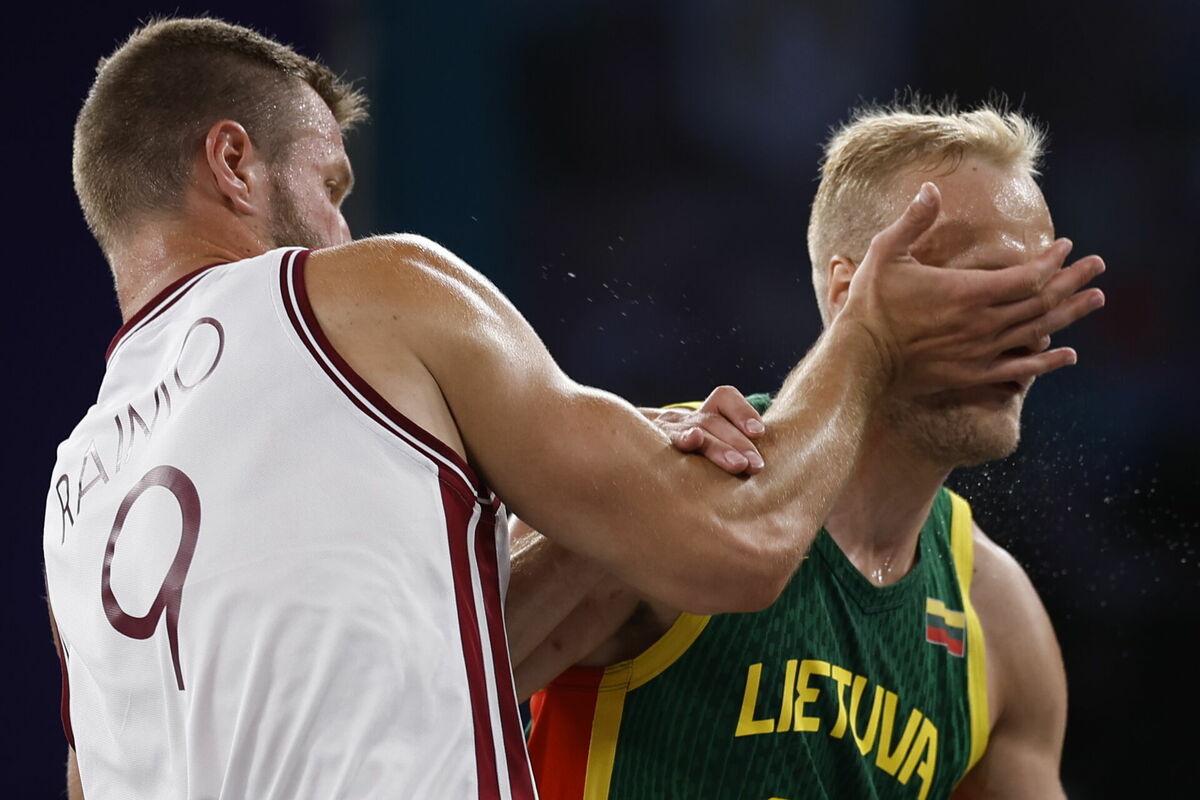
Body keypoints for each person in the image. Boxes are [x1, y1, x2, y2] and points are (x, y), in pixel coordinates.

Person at [43, 17, 1103, 799]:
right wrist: (866, 340)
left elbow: (103, 769)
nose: (342, 225)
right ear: (233, 162)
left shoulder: (74, 488)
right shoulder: (365, 294)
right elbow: (730, 542)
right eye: (332, 183)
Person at [516, 103, 1098, 800]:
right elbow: (422, 685)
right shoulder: (676, 474)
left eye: (1038, 296)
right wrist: (608, 518)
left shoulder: (995, 618)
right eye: (991, 289)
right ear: (852, 293)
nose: (1030, 331)